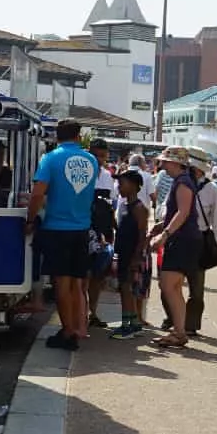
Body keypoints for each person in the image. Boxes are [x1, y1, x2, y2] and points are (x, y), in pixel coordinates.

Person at [27, 120, 98, 350]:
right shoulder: (91, 160)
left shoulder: (50, 158)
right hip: (82, 228)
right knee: (77, 283)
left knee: (61, 283)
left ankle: (67, 331)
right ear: (78, 136)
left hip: (57, 227)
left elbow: (38, 193)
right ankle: (78, 327)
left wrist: (30, 219)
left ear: (57, 136)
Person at [145, 148, 202, 348]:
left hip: (181, 240)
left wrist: (164, 235)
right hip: (184, 239)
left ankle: (179, 331)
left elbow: (183, 212)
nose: (163, 165)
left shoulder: (183, 182)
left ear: (177, 163)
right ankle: (179, 331)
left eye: (166, 162)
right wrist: (162, 227)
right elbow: (181, 212)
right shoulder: (183, 181)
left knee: (168, 285)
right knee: (173, 287)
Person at [182, 147, 217, 336]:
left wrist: (216, 243)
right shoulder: (180, 184)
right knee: (169, 285)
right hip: (179, 238)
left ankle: (190, 325)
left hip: (199, 241)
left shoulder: (211, 189)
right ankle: (173, 319)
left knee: (196, 290)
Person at [109, 169, 152, 339]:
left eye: (122, 184)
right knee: (124, 288)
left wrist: (137, 257)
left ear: (134, 186)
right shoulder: (124, 205)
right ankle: (134, 323)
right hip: (124, 252)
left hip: (132, 255)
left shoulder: (139, 208)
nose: (119, 187)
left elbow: (141, 234)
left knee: (127, 289)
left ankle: (127, 326)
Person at [86, 139, 117, 328]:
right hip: (84, 229)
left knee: (98, 276)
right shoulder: (81, 173)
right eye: (96, 155)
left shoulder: (107, 176)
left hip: (102, 232)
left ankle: (92, 312)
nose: (99, 160)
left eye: (103, 156)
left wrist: (109, 233)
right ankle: (82, 313)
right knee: (83, 274)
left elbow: (109, 206)